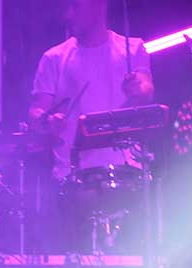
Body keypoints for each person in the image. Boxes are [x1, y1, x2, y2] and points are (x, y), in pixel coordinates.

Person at [29, 0, 154, 181]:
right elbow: (36, 111)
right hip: (72, 177)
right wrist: (46, 121)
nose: (68, 15)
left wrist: (140, 90)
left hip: (127, 173)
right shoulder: (53, 58)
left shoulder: (133, 48)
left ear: (99, 4)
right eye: (66, 7)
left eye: (75, 5)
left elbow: (146, 88)